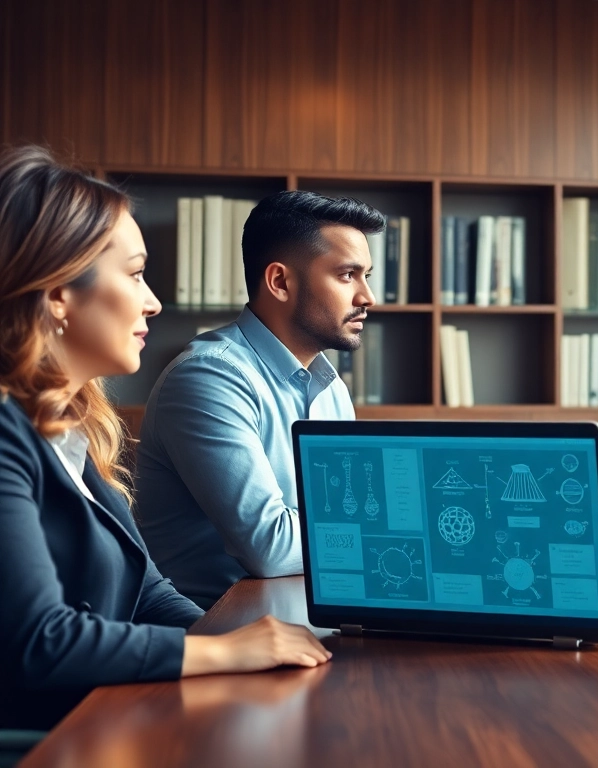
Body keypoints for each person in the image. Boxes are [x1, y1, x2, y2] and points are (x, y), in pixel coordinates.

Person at [0, 146, 330, 732]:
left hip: (105, 719)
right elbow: (38, 641)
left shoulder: (72, 434)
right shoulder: (6, 436)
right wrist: (226, 653)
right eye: (133, 273)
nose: (152, 299)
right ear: (56, 294)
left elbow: (146, 593)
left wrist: (253, 644)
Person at [135, 190, 382, 607]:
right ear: (280, 282)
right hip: (211, 629)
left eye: (367, 276)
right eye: (346, 275)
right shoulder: (210, 376)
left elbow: (343, 519)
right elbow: (270, 546)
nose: (366, 297)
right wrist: (384, 530)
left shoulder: (331, 388)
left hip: (304, 608)